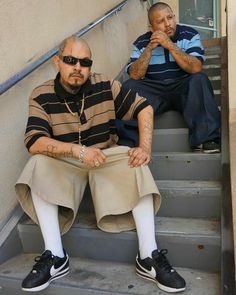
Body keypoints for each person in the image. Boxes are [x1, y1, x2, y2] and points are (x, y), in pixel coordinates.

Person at [15, 36, 186, 293]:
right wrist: (78, 151)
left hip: (105, 157)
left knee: (135, 160)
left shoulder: (106, 84)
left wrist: (145, 147)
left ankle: (148, 256)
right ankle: (55, 255)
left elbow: (144, 108)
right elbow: (34, 141)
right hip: (67, 161)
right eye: (70, 60)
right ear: (57, 62)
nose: (77, 67)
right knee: (38, 163)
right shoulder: (41, 94)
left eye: (84, 62)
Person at [123, 2, 221, 153]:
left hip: (182, 85)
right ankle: (128, 142)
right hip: (154, 89)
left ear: (175, 17)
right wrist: (149, 48)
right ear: (151, 27)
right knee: (129, 87)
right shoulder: (141, 42)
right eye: (160, 21)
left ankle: (207, 138)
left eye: (170, 17)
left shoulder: (189, 34)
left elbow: (195, 67)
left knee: (199, 79)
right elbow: (135, 75)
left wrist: (169, 45)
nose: (167, 24)